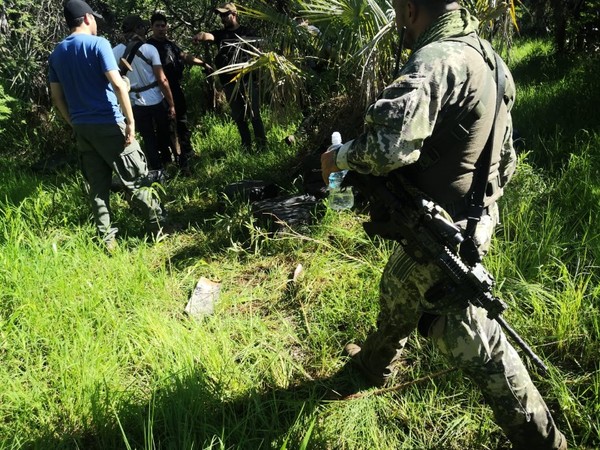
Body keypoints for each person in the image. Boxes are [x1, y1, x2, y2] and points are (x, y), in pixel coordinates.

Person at [320, 0, 568, 449]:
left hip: (442, 233)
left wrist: (336, 157)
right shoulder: (487, 57)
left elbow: (384, 148)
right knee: (397, 288)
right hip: (470, 220)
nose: (399, 21)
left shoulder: (438, 59)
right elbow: (506, 157)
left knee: (470, 337)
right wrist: (478, 206)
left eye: (399, 11)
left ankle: (543, 441)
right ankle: (375, 364)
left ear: (411, 8)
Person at [48, 0, 166, 250]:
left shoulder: (56, 53)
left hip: (83, 127)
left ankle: (107, 239)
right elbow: (118, 84)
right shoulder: (98, 44)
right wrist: (130, 122)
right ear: (88, 18)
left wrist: (73, 123)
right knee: (135, 177)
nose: (97, 26)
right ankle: (158, 227)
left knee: (98, 187)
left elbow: (57, 97)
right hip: (109, 122)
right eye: (95, 21)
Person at [193, 2, 266, 151]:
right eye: (221, 16)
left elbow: (260, 51)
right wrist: (199, 36)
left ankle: (262, 145)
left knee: (254, 114)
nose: (223, 18)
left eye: (225, 15)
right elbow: (208, 35)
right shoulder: (220, 35)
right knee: (239, 116)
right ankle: (246, 146)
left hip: (248, 79)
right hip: (229, 82)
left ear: (234, 14)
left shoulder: (248, 32)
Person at [147, 12, 213, 174]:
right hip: (159, 90)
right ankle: (170, 160)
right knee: (167, 125)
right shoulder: (148, 46)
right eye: (158, 26)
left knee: (182, 120)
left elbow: (184, 56)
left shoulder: (170, 45)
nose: (161, 29)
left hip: (176, 87)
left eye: (163, 25)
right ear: (152, 27)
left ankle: (186, 152)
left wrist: (203, 63)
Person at [113, 15, 176, 170]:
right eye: (143, 27)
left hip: (134, 101)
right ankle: (168, 162)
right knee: (163, 132)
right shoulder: (149, 49)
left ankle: (156, 169)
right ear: (138, 29)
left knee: (148, 137)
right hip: (155, 99)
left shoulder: (115, 51)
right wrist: (171, 103)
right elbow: (162, 79)